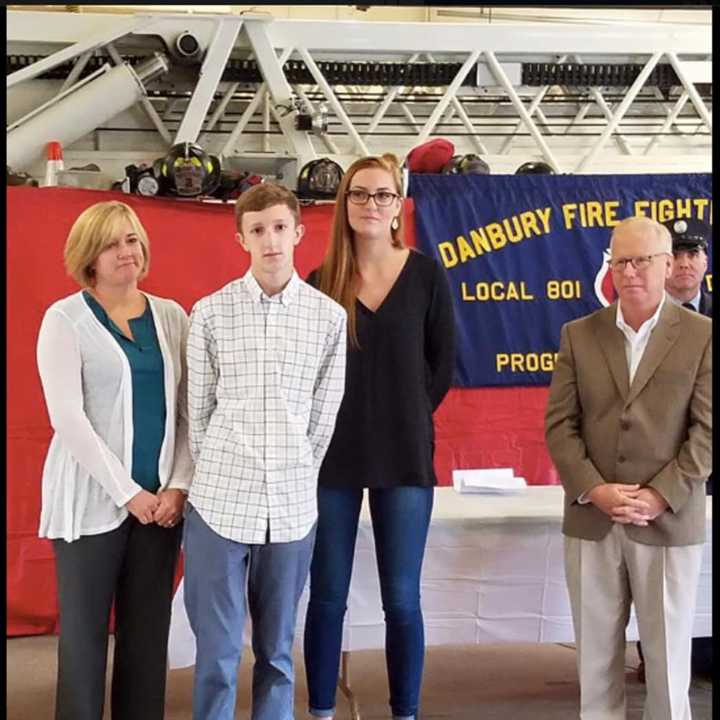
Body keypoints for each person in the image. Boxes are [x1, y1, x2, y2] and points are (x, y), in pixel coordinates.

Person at [183, 182, 347, 720]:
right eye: (258, 230)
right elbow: (197, 412)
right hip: (219, 504)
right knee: (218, 653)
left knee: (277, 653)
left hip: (294, 507)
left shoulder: (328, 318)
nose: (270, 240)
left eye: (280, 228)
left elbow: (324, 415)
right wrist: (225, 469)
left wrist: (294, 467)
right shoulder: (210, 313)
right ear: (241, 238)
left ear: (299, 233)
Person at [303, 154, 456, 720]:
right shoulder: (320, 285)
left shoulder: (425, 275)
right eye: (360, 194)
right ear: (344, 206)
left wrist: (405, 413)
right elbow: (309, 375)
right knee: (326, 599)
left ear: (398, 206)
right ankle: (320, 709)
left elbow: (441, 366)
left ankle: (405, 711)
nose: (372, 204)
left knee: (401, 599)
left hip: (405, 454)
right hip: (332, 460)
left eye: (383, 195)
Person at [545, 215, 712, 720]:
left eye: (641, 261)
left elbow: (707, 432)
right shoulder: (579, 334)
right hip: (593, 520)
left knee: (666, 667)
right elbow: (560, 427)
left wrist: (660, 493)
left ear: (667, 265)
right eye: (620, 261)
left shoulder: (703, 335)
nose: (631, 272)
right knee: (595, 664)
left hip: (668, 519)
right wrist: (594, 489)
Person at [36, 200, 193, 720]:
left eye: (131, 239)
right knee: (83, 646)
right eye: (110, 243)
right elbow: (68, 419)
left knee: (147, 643)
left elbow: (191, 411)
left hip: (161, 508)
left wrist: (176, 487)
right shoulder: (65, 319)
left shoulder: (171, 316)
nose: (125, 251)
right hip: (90, 505)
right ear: (88, 256)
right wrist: (130, 495)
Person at [635, 217, 713, 683]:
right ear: (663, 265)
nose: (685, 264)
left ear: (705, 261)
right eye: (676, 255)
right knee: (657, 563)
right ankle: (657, 656)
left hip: (711, 453)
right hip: (661, 462)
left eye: (693, 254)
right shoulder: (641, 319)